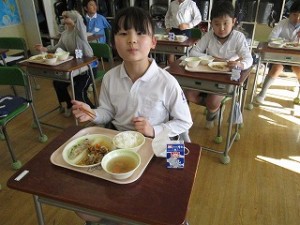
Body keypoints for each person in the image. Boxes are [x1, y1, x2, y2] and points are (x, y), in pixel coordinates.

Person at [72, 6, 193, 224]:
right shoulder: (110, 78)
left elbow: (185, 121)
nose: (132, 40)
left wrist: (154, 130)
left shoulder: (167, 82)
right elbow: (107, 111)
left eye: (140, 33)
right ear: (113, 42)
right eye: (123, 33)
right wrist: (92, 114)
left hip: (163, 143)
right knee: (84, 206)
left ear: (153, 42)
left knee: (173, 203)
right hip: (121, 142)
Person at [185, 0, 253, 129]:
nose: (221, 28)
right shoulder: (209, 35)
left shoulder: (238, 37)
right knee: (190, 94)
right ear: (211, 24)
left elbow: (248, 59)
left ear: (233, 21)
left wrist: (240, 65)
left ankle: (212, 111)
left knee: (212, 100)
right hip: (207, 75)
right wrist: (212, 58)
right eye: (216, 24)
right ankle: (215, 109)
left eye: (225, 23)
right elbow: (194, 51)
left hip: (226, 78)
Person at [35, 10, 97, 117]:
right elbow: (57, 48)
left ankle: (94, 113)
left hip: (87, 69)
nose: (64, 19)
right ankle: (68, 105)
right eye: (63, 18)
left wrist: (73, 17)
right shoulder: (64, 34)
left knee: (78, 92)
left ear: (73, 19)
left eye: (66, 17)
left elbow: (79, 22)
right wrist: (44, 48)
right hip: (73, 69)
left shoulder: (79, 32)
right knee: (58, 83)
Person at [255, 1, 300, 104]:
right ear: (289, 14)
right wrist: (283, 43)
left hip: (296, 58)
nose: (297, 19)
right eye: (294, 15)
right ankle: (262, 94)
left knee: (298, 69)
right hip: (280, 56)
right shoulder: (282, 23)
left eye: (299, 16)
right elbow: (271, 38)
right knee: (276, 68)